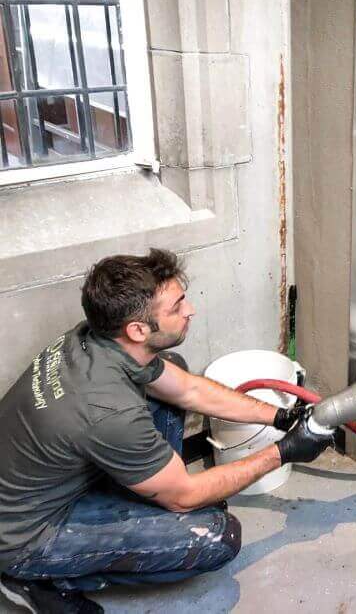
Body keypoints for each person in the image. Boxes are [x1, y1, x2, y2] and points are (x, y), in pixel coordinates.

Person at [0, 249, 332, 613]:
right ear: (138, 329)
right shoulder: (107, 409)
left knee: (170, 375)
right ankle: (37, 578)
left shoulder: (97, 340)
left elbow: (188, 389)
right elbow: (185, 496)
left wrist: (282, 417)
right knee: (217, 536)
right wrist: (284, 451)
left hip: (42, 480)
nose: (190, 310)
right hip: (24, 535)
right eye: (176, 307)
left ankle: (142, 494)